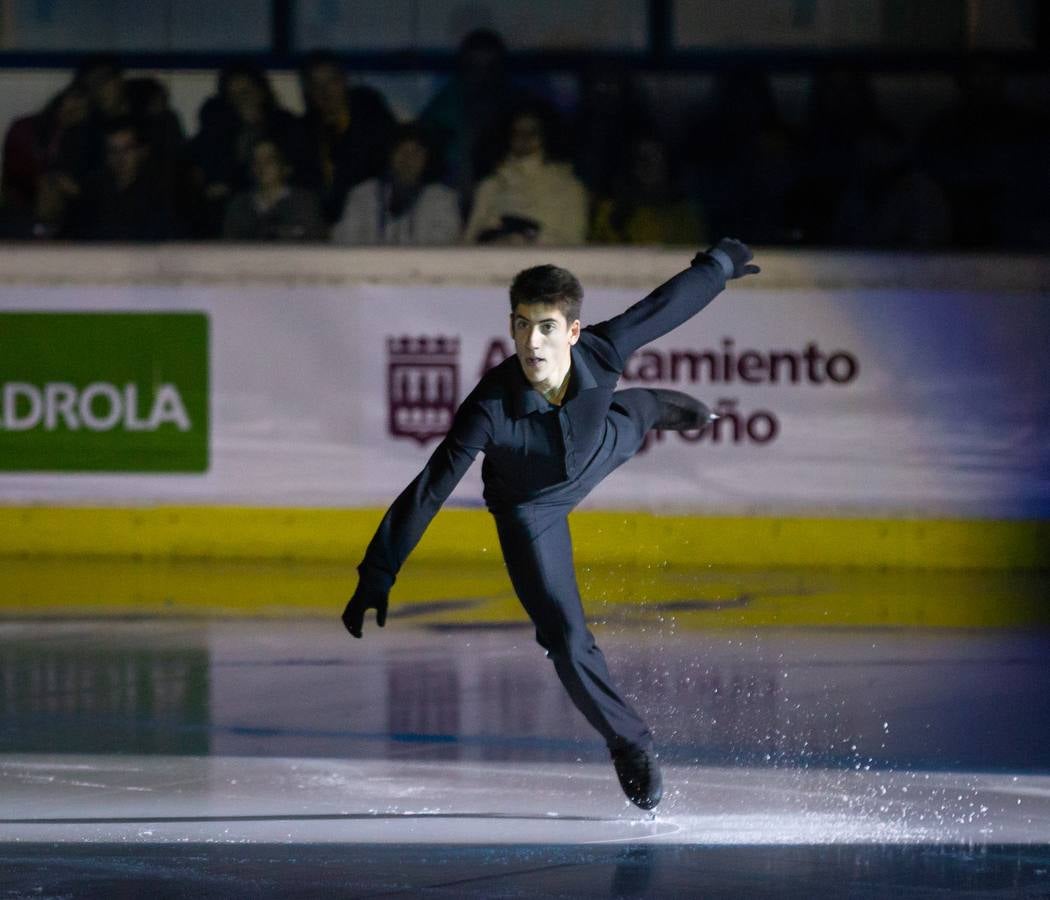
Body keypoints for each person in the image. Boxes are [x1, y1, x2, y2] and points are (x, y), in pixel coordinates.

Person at [342, 237, 761, 809]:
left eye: (546, 328)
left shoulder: (603, 351)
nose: (532, 342)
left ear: (572, 331)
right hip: (529, 508)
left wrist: (715, 266)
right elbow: (431, 486)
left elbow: (664, 306)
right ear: (511, 327)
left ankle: (656, 407)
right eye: (521, 326)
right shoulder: (488, 407)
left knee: (639, 413)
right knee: (564, 640)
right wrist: (379, 570)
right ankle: (629, 742)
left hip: (602, 444)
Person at [463, 104, 587, 246]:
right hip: (494, 264)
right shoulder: (490, 185)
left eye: (532, 132)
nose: (524, 137)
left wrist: (532, 235)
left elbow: (575, 243)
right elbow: (469, 241)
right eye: (516, 132)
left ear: (546, 135)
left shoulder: (570, 187)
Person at [331, 123, 461, 245]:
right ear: (390, 155)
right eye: (402, 151)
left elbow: (445, 244)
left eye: (416, 153)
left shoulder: (442, 198)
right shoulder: (363, 194)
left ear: (427, 158)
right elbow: (345, 240)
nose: (408, 159)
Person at [222, 138, 325, 241]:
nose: (261, 166)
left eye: (269, 160)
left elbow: (316, 241)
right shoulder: (239, 205)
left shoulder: (304, 203)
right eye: (256, 161)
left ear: (285, 167)